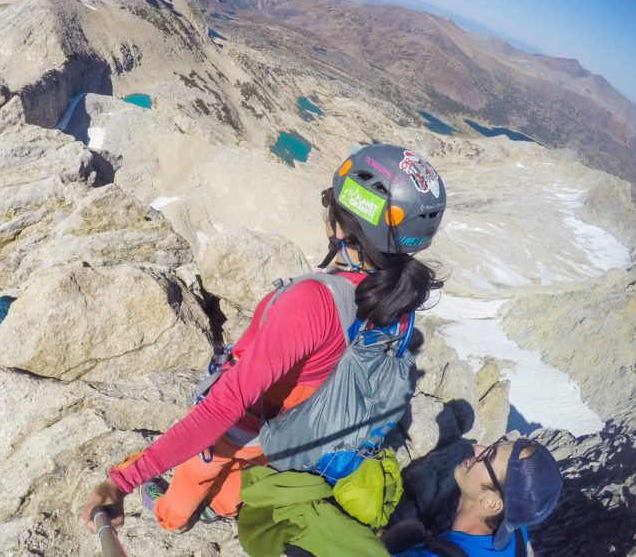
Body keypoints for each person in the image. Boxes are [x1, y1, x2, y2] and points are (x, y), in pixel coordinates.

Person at [79, 144, 447, 534]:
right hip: (296, 430)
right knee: (241, 475)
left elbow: (223, 407)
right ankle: (218, 507)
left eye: (331, 205)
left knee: (203, 467)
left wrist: (122, 481)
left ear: (343, 229)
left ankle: (172, 516)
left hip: (248, 418)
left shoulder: (314, 302)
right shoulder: (398, 301)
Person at [380, 437, 563, 557]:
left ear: (492, 503)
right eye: (492, 446)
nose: (476, 449)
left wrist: (387, 542)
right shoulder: (515, 531)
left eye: (488, 456)